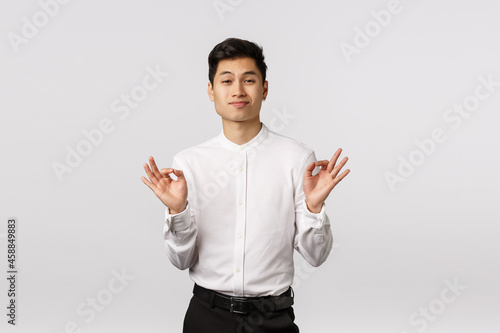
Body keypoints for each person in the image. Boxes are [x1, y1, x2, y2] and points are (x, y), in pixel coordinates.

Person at [141, 37, 350, 333]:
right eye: (226, 81)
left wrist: (314, 208)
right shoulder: (189, 163)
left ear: (264, 89)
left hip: (272, 318)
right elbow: (180, 260)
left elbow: (316, 257)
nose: (238, 90)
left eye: (248, 80)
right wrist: (178, 211)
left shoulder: (297, 158)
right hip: (206, 317)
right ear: (211, 91)